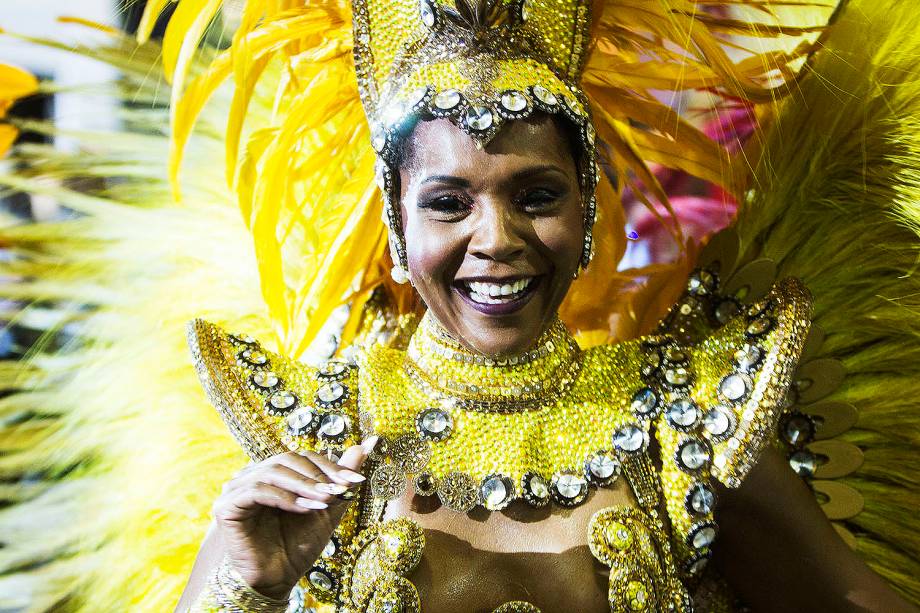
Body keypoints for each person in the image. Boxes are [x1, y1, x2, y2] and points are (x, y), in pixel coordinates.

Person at [1, 0, 919, 612]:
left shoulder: (685, 429)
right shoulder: (320, 445)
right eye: (449, 202)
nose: (497, 239)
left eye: (536, 195)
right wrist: (246, 580)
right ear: (398, 228)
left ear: (588, 205)